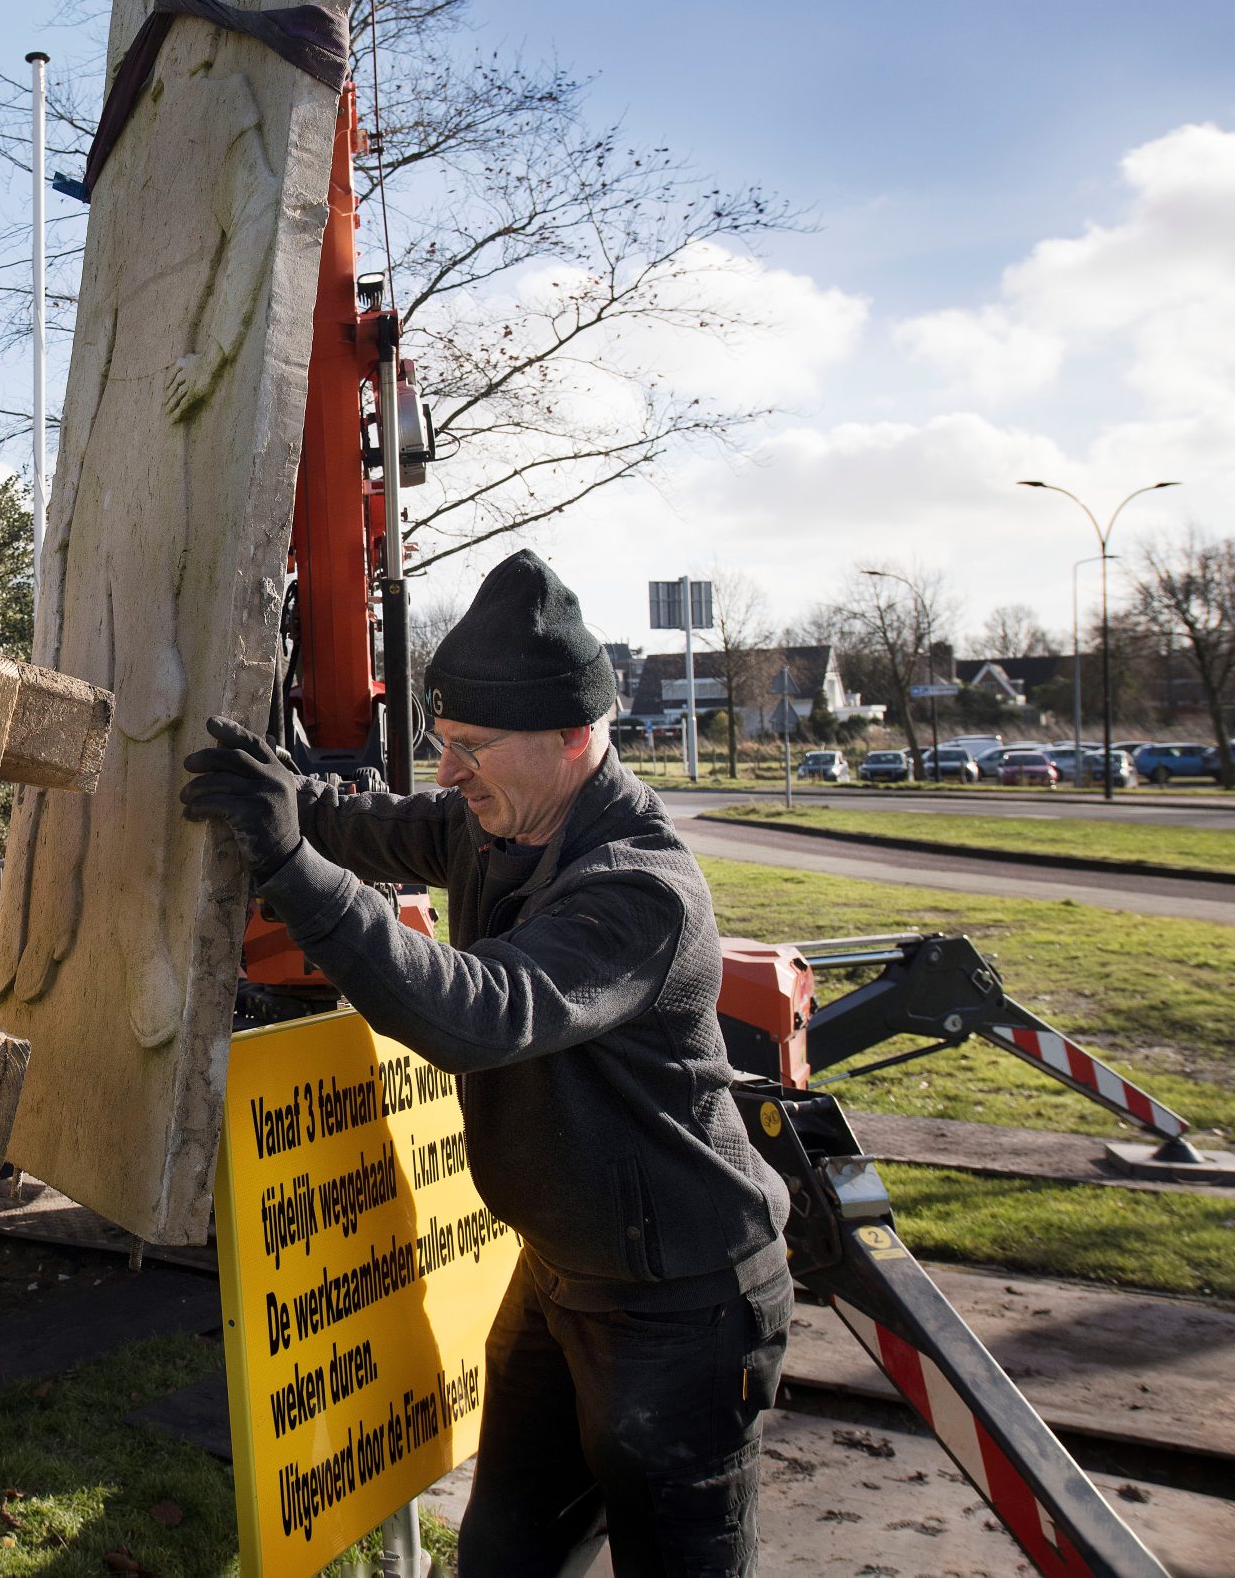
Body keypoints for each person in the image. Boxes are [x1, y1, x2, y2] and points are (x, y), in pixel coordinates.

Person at [180, 550, 791, 1578]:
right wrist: (282, 795)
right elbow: (372, 822)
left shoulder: (638, 889)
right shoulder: (500, 820)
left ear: (573, 739)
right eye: (441, 741)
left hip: (683, 1305)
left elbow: (481, 1011)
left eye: (471, 746)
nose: (449, 771)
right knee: (504, 1557)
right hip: (563, 1274)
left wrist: (294, 872)